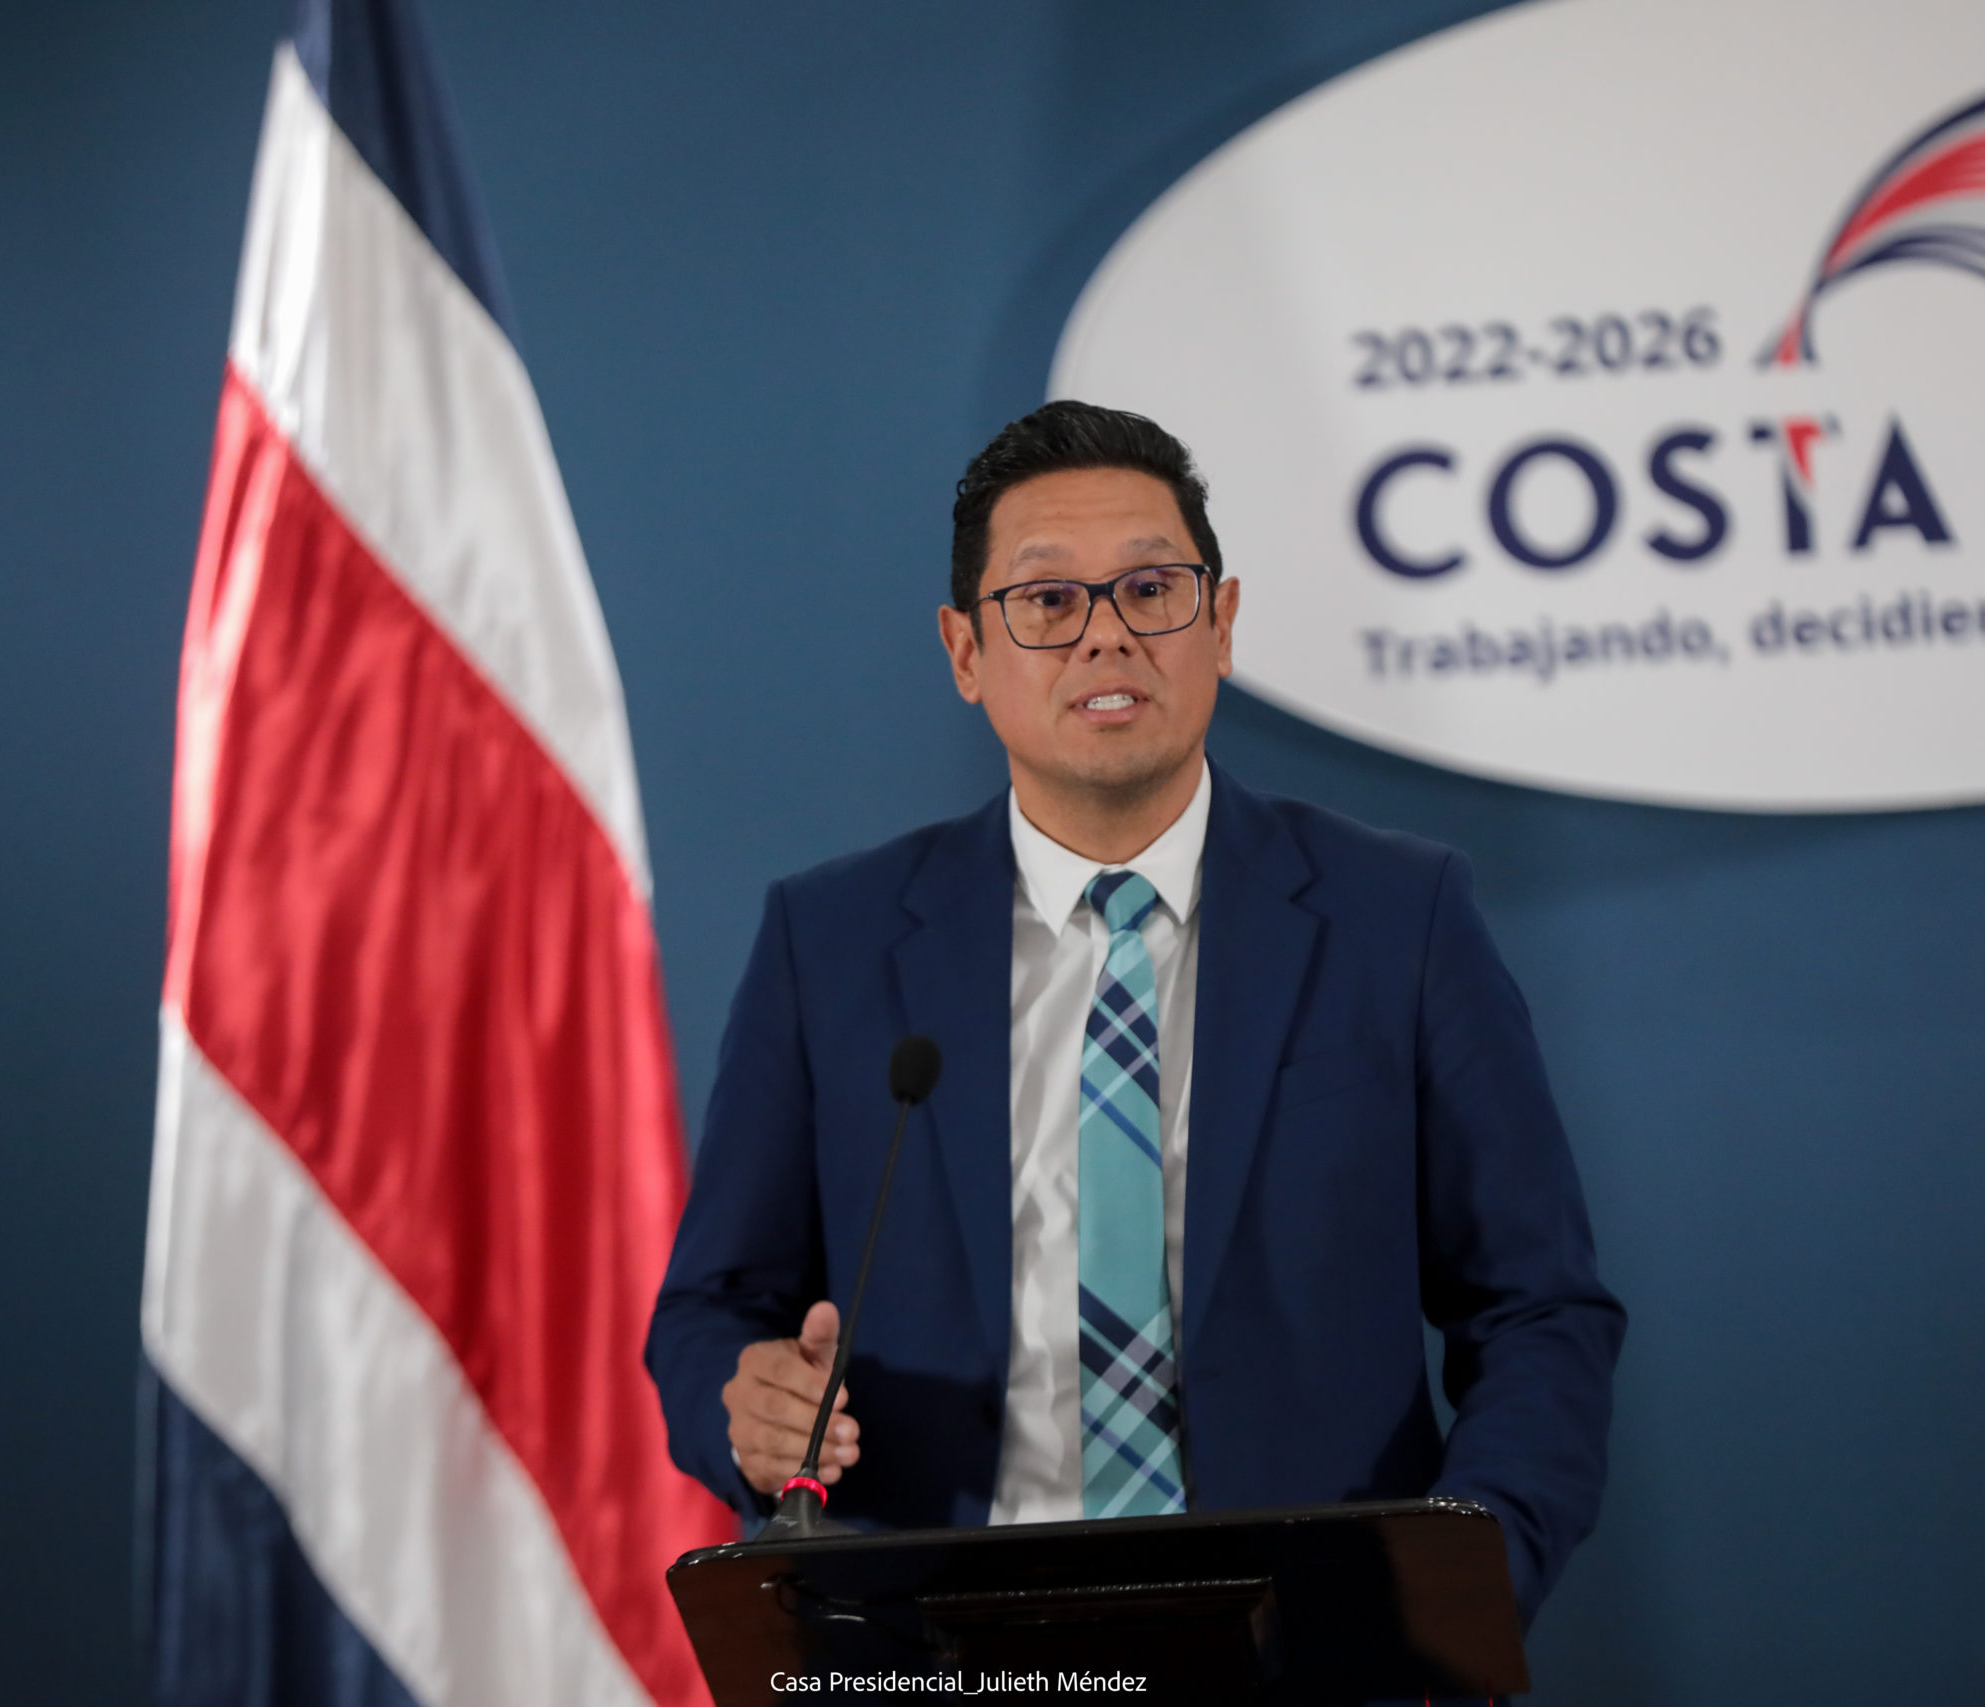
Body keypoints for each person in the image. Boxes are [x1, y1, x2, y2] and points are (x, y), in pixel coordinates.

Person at [644, 401, 1624, 1620]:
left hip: (1319, 1645)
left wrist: (1465, 1579)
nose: (1106, 634)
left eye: (1151, 590)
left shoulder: (1397, 917)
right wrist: (742, 1406)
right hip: (943, 1652)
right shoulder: (831, 943)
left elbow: (1536, 1308)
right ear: (964, 652)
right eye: (1048, 600)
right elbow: (713, 1309)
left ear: (1221, 623)